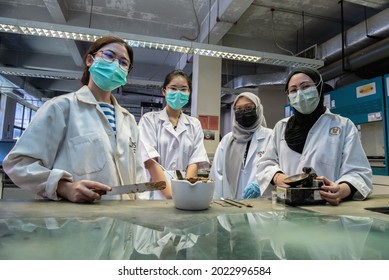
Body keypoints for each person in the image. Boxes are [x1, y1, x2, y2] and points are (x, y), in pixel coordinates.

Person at [3, 35, 146, 203]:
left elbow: (139, 175)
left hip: (126, 221)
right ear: (90, 60)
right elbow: (18, 163)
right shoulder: (61, 107)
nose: (116, 65)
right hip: (77, 222)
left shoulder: (128, 120)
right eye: (109, 55)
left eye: (123, 62)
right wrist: (63, 187)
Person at [256, 67, 373, 206]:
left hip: (328, 211)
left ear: (319, 87)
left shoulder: (343, 126)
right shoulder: (281, 127)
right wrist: (278, 177)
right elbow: (266, 164)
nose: (300, 93)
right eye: (293, 90)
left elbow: (359, 173)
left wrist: (341, 190)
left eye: (305, 87)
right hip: (286, 208)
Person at [138, 69, 209, 199]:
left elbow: (194, 161)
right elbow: (150, 161)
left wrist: (185, 190)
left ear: (189, 93)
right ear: (164, 91)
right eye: (173, 88)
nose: (178, 93)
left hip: (185, 188)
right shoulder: (149, 120)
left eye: (183, 89)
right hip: (156, 189)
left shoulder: (194, 124)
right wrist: (171, 195)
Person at [209, 92, 272, 199]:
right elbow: (217, 175)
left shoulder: (270, 136)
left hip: (261, 204)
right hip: (230, 204)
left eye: (248, 108)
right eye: (238, 109)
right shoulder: (227, 140)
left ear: (258, 109)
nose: (243, 112)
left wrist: (261, 183)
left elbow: (277, 170)